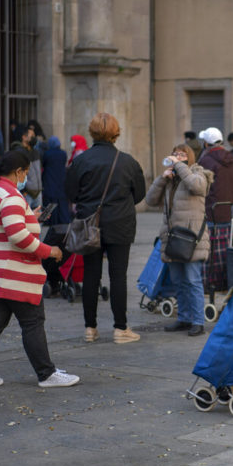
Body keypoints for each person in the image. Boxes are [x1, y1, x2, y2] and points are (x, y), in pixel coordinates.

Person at [0, 150, 79, 389]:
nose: (26, 177)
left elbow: (7, 226)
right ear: (18, 171)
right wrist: (51, 251)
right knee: (32, 321)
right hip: (13, 273)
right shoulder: (11, 196)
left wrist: (31, 217)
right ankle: (46, 374)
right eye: (26, 173)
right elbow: (18, 236)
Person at [65, 112, 146, 344]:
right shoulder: (128, 161)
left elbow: (70, 193)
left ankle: (90, 328)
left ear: (92, 132)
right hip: (121, 224)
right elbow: (139, 194)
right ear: (116, 132)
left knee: (91, 274)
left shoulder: (80, 161)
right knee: (118, 276)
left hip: (90, 223)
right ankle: (120, 329)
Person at [145, 144, 213, 336]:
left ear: (189, 158)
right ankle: (183, 318)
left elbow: (197, 186)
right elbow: (150, 201)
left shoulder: (200, 173)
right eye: (175, 154)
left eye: (182, 154)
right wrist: (161, 178)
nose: (177, 157)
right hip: (172, 238)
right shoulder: (171, 179)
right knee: (178, 281)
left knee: (193, 280)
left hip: (192, 239)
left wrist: (180, 166)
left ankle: (198, 321)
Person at [198, 127, 233, 224]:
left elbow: (200, 186)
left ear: (206, 144)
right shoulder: (232, 158)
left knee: (210, 239)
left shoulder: (205, 160)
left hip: (211, 210)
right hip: (229, 210)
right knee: (226, 238)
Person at [10, 125, 43, 209]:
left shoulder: (35, 152)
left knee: (38, 219)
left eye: (34, 136)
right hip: (27, 193)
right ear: (24, 137)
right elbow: (16, 174)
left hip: (38, 192)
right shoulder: (19, 152)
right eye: (32, 136)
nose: (34, 138)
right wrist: (23, 190)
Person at [41, 136, 71, 225]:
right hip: (61, 179)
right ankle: (63, 220)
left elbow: (44, 164)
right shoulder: (63, 153)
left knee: (50, 202)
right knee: (61, 202)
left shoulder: (47, 154)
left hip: (50, 179)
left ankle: (49, 220)